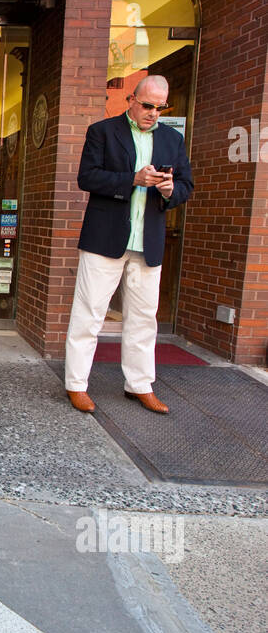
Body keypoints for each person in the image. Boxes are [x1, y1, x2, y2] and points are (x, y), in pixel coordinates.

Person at [64, 74, 194, 414]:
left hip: (147, 241)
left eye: (160, 107)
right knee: (89, 313)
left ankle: (139, 385)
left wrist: (168, 191)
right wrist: (132, 180)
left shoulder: (172, 140)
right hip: (104, 239)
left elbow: (186, 185)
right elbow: (86, 177)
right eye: (147, 105)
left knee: (143, 318)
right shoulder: (103, 131)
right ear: (131, 100)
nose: (153, 113)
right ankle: (76, 384)